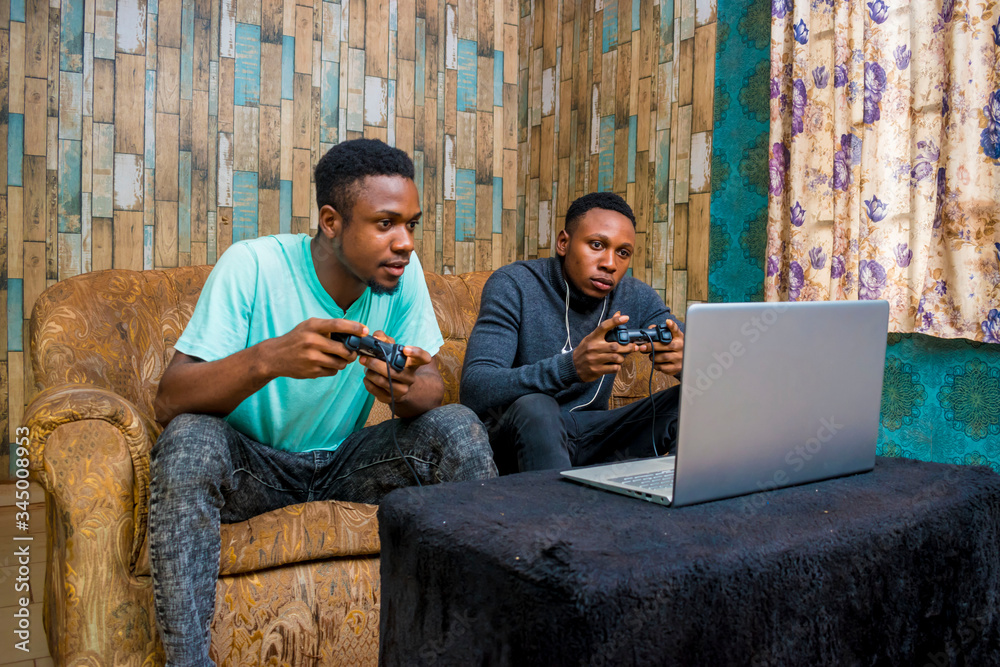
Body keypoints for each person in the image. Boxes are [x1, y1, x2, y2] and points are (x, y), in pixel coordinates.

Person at [150, 138, 497, 666]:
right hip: (254, 466)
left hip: (344, 465)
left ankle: (485, 646)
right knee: (189, 441)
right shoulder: (253, 265)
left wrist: (404, 389)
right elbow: (170, 398)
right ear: (332, 222)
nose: (404, 242)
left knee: (458, 426)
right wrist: (269, 359)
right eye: (385, 223)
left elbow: (431, 386)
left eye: (411, 224)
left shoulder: (400, 278)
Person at [460, 192, 685, 474]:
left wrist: (687, 360)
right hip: (522, 437)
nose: (610, 264)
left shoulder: (635, 296)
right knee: (537, 407)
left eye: (622, 252)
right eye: (596, 245)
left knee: (690, 400)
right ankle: (558, 517)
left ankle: (678, 512)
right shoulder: (514, 284)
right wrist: (570, 368)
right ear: (563, 243)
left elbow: (707, 364)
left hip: (594, 436)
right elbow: (475, 388)